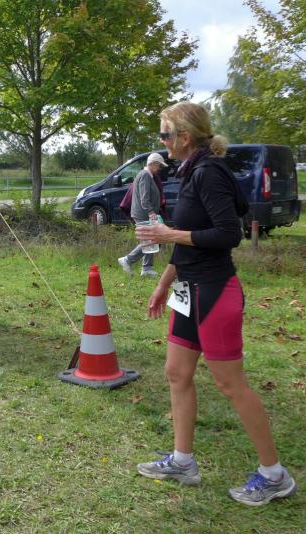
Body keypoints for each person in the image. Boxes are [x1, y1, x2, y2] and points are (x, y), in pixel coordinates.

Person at [135, 102, 297, 506]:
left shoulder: (209, 172)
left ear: (185, 137)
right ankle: (183, 461)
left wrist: (169, 235)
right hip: (188, 290)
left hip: (215, 291)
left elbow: (228, 234)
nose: (162, 141)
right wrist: (163, 283)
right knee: (176, 373)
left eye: (165, 134)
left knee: (230, 384)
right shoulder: (191, 170)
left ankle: (275, 475)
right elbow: (189, 240)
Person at [117, 153, 166, 277]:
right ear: (153, 163)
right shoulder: (145, 175)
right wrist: (151, 211)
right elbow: (144, 198)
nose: (160, 168)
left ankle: (147, 268)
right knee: (151, 239)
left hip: (145, 213)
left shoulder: (148, 175)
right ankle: (128, 260)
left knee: (151, 239)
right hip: (143, 213)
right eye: (159, 165)